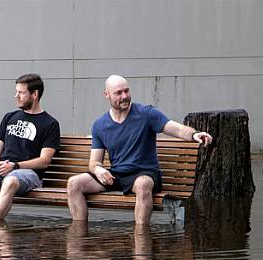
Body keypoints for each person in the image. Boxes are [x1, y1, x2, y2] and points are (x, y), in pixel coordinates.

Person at [66, 75, 213, 225]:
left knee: (143, 184)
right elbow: (94, 162)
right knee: (74, 183)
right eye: (118, 93)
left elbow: (176, 129)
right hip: (117, 175)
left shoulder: (147, 113)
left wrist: (194, 134)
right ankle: (79, 236)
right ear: (106, 95)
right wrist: (99, 170)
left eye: (127, 91)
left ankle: (141, 241)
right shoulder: (100, 125)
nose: (124, 96)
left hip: (145, 173)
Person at [0, 74, 60, 221]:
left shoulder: (50, 124)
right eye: (16, 92)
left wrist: (15, 166)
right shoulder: (10, 117)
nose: (16, 96)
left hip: (28, 173)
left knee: (10, 181)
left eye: (21, 93)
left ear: (34, 94)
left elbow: (44, 161)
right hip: (1, 168)